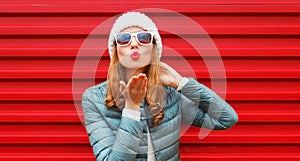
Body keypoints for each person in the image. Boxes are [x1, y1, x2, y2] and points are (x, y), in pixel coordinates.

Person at [82, 11, 238, 161]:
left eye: (144, 38)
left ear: (153, 49)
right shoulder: (94, 98)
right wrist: (131, 109)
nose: (135, 44)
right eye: (124, 39)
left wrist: (182, 83)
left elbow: (226, 119)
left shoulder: (170, 95)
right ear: (115, 50)